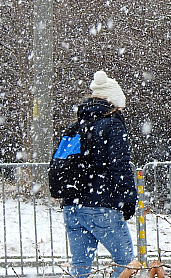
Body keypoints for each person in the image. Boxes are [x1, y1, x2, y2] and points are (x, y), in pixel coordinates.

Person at [62, 70, 140, 278]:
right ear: (113, 101)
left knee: (80, 265)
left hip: (72, 206)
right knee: (126, 263)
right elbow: (120, 166)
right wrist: (128, 199)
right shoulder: (112, 125)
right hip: (101, 205)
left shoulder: (75, 125)